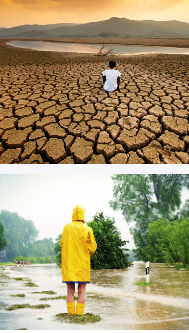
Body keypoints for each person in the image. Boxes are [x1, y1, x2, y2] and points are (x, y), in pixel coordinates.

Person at [60, 205, 97, 315]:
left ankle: (71, 316)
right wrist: (86, 252)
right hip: (82, 265)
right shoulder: (88, 229)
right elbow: (93, 248)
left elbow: (61, 245)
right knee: (82, 292)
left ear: (73, 214)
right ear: (83, 215)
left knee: (70, 292)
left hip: (69, 265)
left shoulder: (67, 228)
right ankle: (80, 315)